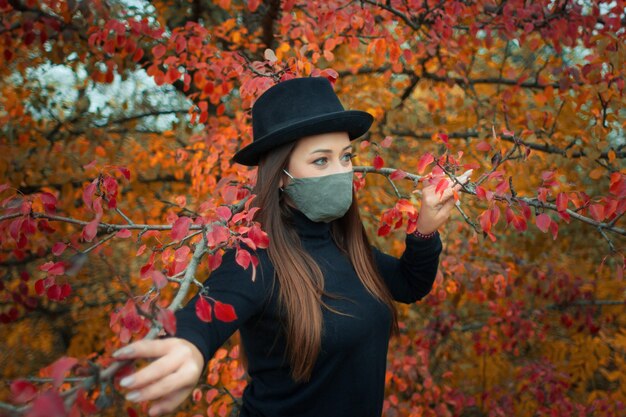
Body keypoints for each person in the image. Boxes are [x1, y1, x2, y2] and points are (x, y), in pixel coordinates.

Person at [112, 76, 471, 416]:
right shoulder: (255, 259)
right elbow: (207, 314)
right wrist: (189, 346)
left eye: (345, 157)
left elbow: (409, 285)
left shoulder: (345, 243)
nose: (340, 171)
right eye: (320, 160)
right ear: (282, 177)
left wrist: (426, 227)